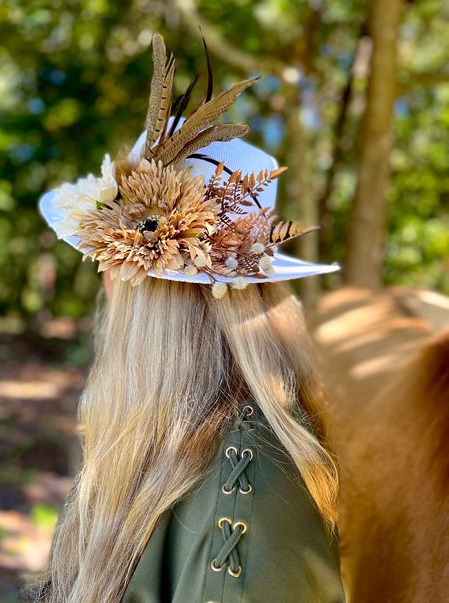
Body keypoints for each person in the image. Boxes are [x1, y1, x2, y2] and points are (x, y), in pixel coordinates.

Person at [31, 34, 344, 602]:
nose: (106, 287)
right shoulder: (148, 440)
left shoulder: (247, 489)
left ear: (145, 296)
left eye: (108, 265)